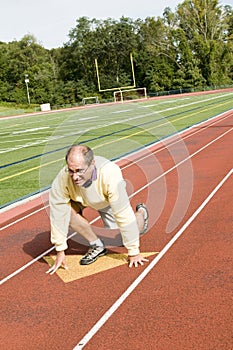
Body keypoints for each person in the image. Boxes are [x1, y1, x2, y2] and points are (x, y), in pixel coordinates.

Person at [46, 144, 149, 275]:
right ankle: (96, 244)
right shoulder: (63, 178)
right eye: (71, 171)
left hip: (104, 200)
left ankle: (141, 213)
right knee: (66, 212)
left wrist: (134, 252)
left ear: (92, 164)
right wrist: (60, 250)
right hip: (78, 199)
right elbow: (58, 213)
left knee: (125, 235)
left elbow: (123, 214)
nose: (75, 177)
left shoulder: (110, 173)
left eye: (79, 170)